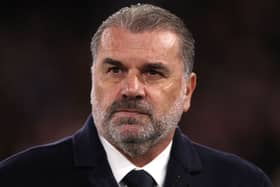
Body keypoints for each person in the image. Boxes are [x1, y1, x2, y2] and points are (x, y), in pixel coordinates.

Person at [0, 4, 273, 187]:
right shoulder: (19, 178)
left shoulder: (242, 181)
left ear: (187, 90)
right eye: (115, 69)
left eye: (152, 72)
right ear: (93, 79)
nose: (131, 89)